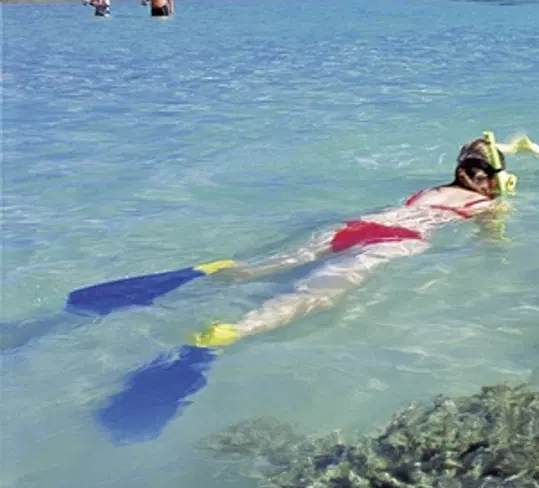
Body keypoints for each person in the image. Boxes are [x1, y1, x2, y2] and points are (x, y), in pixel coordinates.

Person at [188, 135, 518, 348]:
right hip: (399, 239)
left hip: (359, 225)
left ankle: (214, 272)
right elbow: (490, 241)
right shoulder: (486, 204)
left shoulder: (429, 191)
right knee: (320, 293)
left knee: (276, 263)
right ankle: (238, 329)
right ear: (490, 180)